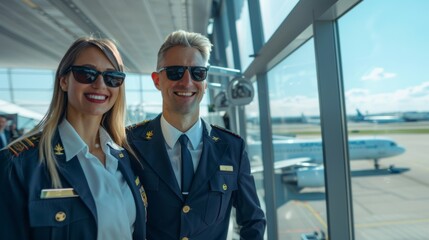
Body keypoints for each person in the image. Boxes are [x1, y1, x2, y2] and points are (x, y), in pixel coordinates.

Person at [0, 37, 146, 240]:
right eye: (86, 74)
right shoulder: (18, 165)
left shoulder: (125, 157)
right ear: (64, 80)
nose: (100, 84)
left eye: (112, 77)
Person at [127, 30, 266, 240]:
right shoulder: (130, 143)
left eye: (197, 73)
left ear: (205, 81)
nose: (187, 81)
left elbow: (253, 221)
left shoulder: (231, 148)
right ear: (157, 80)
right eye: (175, 72)